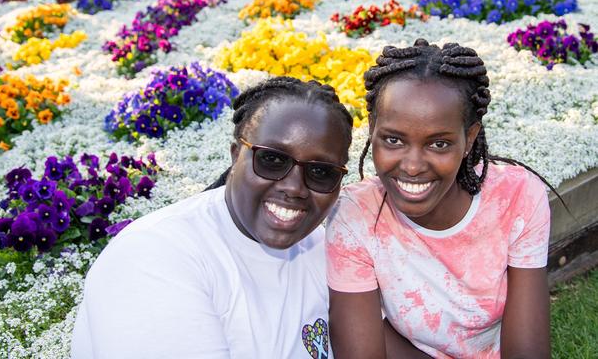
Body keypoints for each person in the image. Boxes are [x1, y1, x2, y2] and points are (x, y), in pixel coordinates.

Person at [71, 77, 353, 358]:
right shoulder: (153, 256)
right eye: (272, 160)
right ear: (235, 155)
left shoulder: (319, 246)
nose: (294, 187)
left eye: (321, 172)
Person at [327, 39, 552, 359]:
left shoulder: (515, 199)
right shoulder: (355, 215)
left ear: (469, 136)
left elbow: (527, 352)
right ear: (372, 128)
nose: (413, 166)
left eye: (439, 144)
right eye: (393, 139)